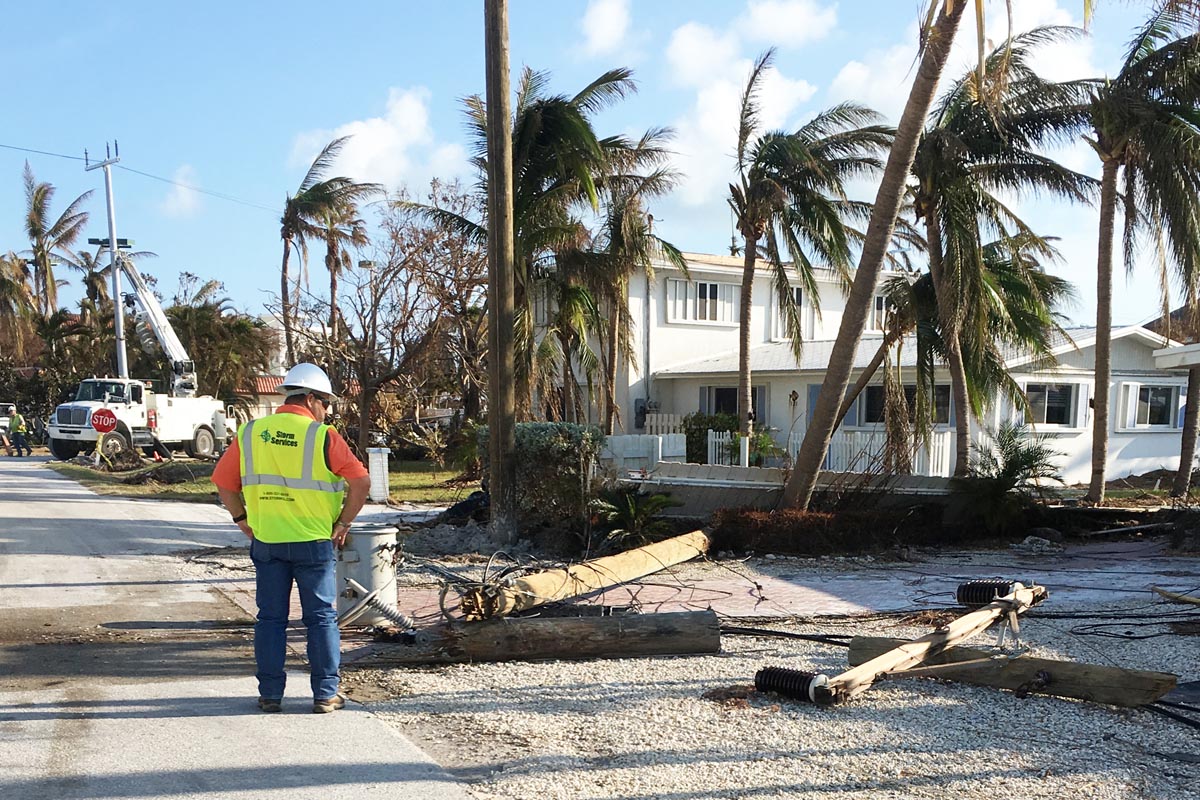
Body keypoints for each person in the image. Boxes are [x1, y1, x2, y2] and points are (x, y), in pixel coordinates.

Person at [211, 363, 371, 714]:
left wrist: (241, 519)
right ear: (312, 399)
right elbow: (361, 482)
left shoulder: (251, 432)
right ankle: (326, 694)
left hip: (267, 540)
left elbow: (223, 481)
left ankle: (270, 695)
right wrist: (343, 523)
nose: (327, 410)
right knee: (320, 618)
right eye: (326, 403)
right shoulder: (322, 436)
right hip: (314, 541)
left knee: (270, 619)